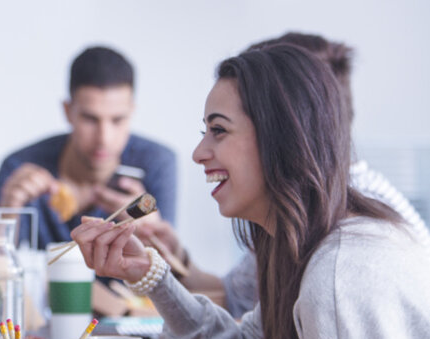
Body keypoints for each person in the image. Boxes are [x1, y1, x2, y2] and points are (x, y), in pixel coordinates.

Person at [72, 44, 430, 339]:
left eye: (219, 130)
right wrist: (154, 278)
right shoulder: (294, 248)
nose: (198, 153)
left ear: (283, 139)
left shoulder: (340, 278)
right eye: (204, 131)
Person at [136, 32, 430, 319]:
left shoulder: (345, 261)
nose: (198, 153)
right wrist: (165, 266)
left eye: (219, 130)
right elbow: (239, 308)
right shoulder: (298, 225)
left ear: (290, 127)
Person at [0, 46, 177, 249]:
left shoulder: (156, 163)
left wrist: (152, 233)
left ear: (132, 111)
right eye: (90, 119)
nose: (103, 138)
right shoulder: (20, 166)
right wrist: (8, 215)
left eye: (117, 120)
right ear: (68, 111)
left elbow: (168, 272)